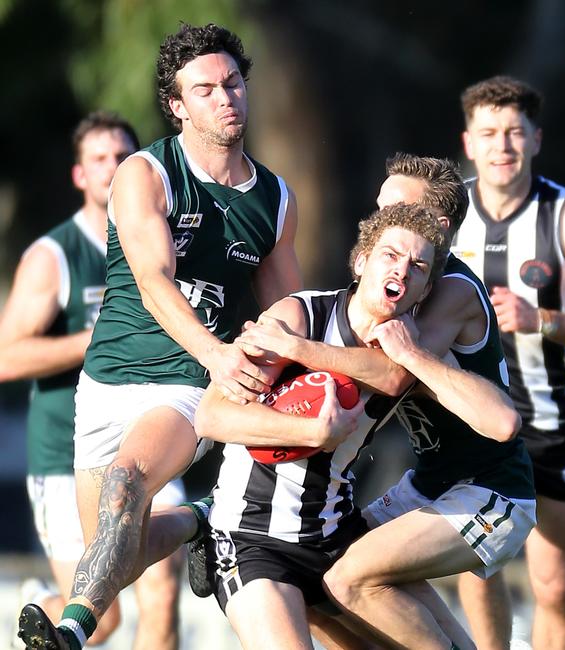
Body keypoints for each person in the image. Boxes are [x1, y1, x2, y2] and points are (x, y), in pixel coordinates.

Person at [18, 22, 301, 650]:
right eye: (205, 90)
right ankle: (200, 520)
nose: (225, 97)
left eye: (233, 83)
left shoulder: (275, 197)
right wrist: (219, 351)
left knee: (127, 484)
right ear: (177, 106)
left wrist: (275, 358)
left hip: (190, 385)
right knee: (114, 552)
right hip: (107, 382)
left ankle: (68, 634)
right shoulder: (144, 173)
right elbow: (153, 281)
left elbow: (287, 307)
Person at [238, 154, 535, 649]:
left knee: (347, 579)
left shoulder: (451, 290)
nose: (380, 220)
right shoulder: (405, 287)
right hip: (431, 483)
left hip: (488, 490)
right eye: (379, 207)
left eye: (395, 207)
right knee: (318, 563)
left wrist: (294, 347)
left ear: (437, 227)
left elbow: (394, 373)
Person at [452, 75, 565, 650]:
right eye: (489, 133)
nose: (502, 146)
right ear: (469, 143)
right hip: (470, 423)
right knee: (476, 571)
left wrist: (543, 320)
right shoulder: (445, 214)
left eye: (514, 133)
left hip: (549, 423)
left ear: (536, 139)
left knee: (554, 587)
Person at [0, 111, 186, 649]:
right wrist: (100, 339)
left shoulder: (165, 238)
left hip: (149, 432)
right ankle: (45, 604)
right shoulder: (54, 256)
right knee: (101, 621)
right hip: (68, 452)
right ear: (79, 176)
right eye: (98, 159)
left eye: (122, 157)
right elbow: (7, 357)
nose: (112, 169)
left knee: (163, 587)